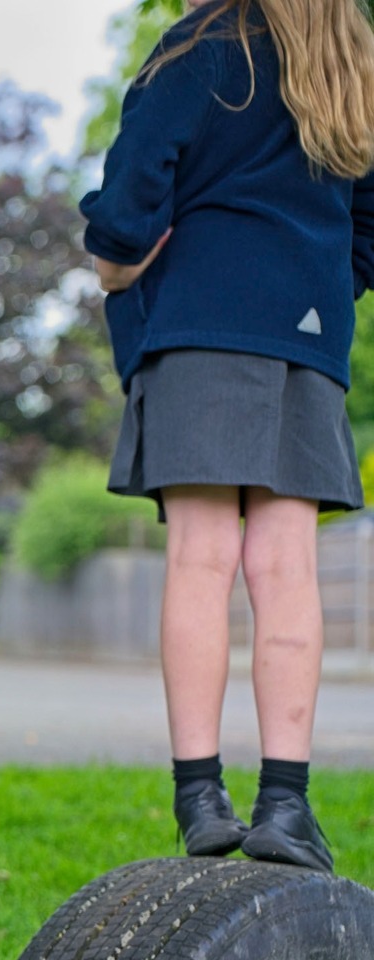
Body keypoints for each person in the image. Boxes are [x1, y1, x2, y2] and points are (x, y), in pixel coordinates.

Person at [82, 0, 374, 872]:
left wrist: (119, 260)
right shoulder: (352, 58)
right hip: (309, 339)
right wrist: (318, 281)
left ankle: (200, 796)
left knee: (203, 560)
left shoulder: (208, 47)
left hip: (203, 328)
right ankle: (286, 803)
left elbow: (130, 198)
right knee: (286, 569)